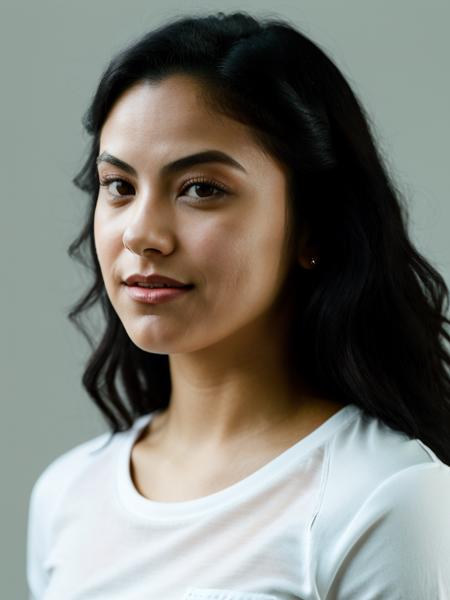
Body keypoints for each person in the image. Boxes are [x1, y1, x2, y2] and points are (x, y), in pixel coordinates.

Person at [26, 10, 450, 600]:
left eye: (201, 188)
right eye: (119, 186)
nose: (142, 234)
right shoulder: (67, 495)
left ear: (312, 227)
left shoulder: (385, 499)